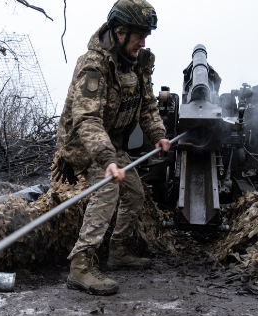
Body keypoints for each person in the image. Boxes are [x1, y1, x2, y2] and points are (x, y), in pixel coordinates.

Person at [54, 0, 170, 295]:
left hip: (112, 144)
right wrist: (107, 160)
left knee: (134, 193)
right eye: (138, 35)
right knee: (108, 188)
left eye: (147, 35)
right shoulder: (93, 66)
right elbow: (88, 119)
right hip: (86, 145)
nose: (143, 42)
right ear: (119, 32)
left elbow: (147, 105)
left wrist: (158, 134)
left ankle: (117, 252)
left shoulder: (140, 63)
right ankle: (80, 266)